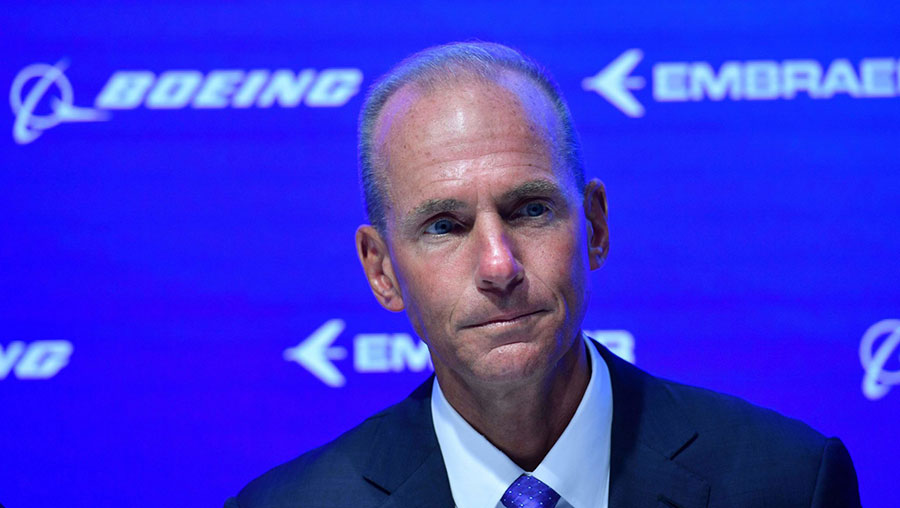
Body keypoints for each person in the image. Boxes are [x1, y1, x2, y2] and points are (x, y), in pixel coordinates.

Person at [226, 42, 861, 508]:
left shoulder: (787, 481)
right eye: (444, 226)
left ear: (596, 226)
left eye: (530, 210)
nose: (498, 266)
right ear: (382, 269)